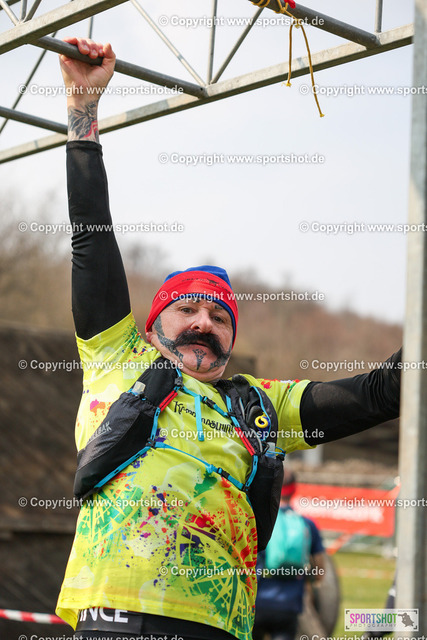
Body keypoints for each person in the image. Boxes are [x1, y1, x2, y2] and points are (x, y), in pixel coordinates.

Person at [56, 37, 402, 640]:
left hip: (222, 626)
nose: (204, 324)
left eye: (220, 318)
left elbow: (380, 393)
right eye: (187, 309)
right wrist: (82, 109)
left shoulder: (260, 407)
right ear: (151, 328)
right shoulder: (116, 356)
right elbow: (91, 236)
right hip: (117, 618)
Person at [253, 470, 326, 640]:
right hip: (289, 606)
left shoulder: (259, 520)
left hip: (257, 603)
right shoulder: (306, 524)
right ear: (294, 489)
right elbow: (320, 571)